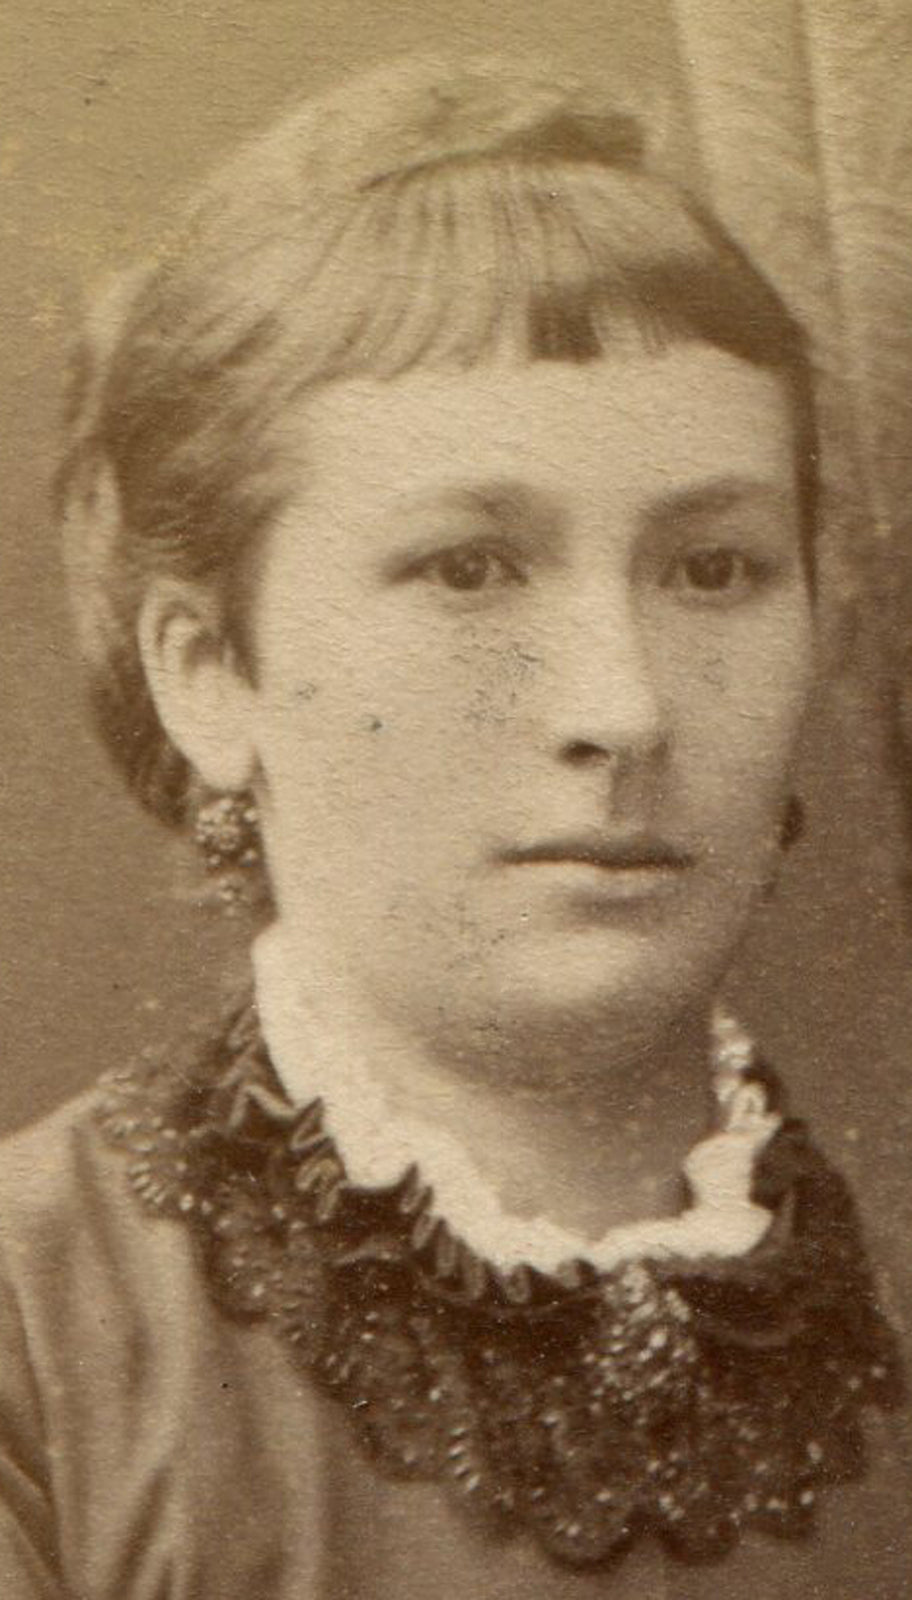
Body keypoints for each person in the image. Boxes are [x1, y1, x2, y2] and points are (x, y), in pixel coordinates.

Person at [1, 54, 908, 1600]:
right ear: (210, 672)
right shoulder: (39, 1344)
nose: (625, 706)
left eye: (714, 570)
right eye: (470, 570)